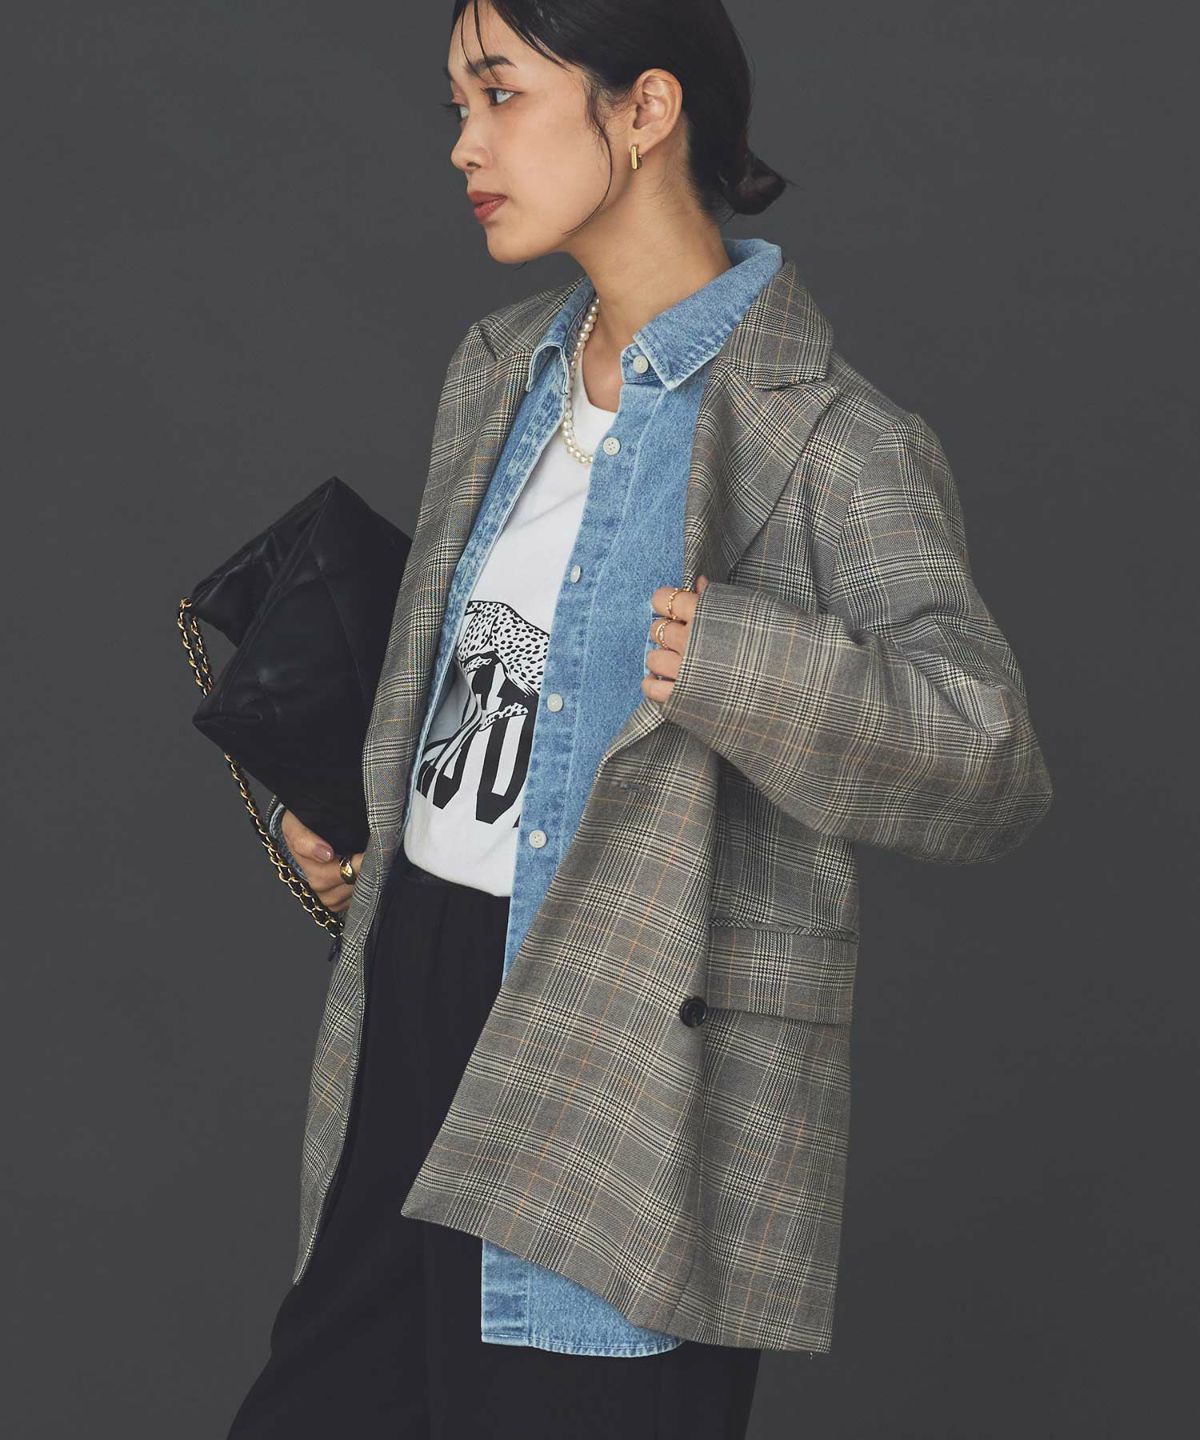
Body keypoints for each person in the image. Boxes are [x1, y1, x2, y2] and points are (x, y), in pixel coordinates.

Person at [226, 2, 1054, 1436]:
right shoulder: (499, 371)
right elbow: (509, 689)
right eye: (457, 105)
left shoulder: (825, 437)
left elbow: (990, 761)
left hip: (625, 1065)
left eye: (499, 93)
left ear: (645, 108)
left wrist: (739, 659)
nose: (464, 144)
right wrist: (372, 820)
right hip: (412, 1006)